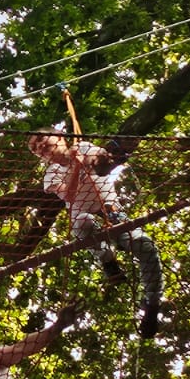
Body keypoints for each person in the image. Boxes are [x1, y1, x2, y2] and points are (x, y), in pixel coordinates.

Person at [28, 131, 161, 338]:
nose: (40, 148)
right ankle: (108, 262)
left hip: (113, 213)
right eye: (35, 149)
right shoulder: (51, 174)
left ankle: (152, 304)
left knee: (145, 246)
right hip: (85, 218)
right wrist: (77, 166)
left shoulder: (84, 147)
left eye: (41, 141)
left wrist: (93, 159)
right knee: (82, 222)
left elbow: (102, 164)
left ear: (59, 137)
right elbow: (69, 195)